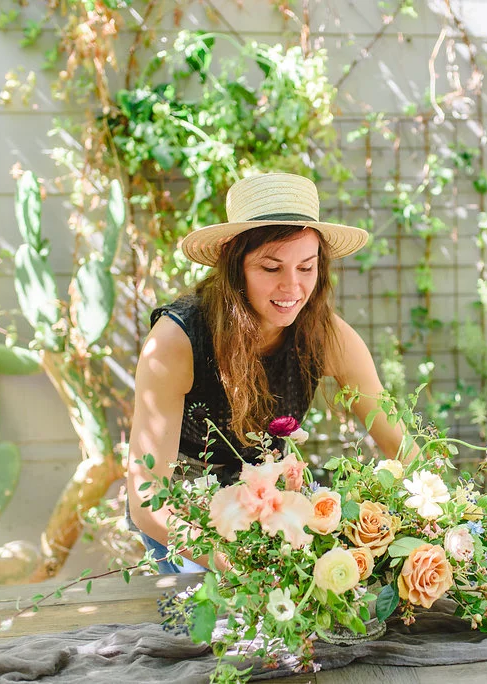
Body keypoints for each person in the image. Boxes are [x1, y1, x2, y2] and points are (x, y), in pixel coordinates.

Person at [126, 172, 405, 573]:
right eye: (271, 267)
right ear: (234, 268)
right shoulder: (175, 341)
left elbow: (399, 442)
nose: (292, 287)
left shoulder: (328, 334)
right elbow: (147, 496)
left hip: (276, 505)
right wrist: (242, 568)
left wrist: (448, 522)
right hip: (186, 516)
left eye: (306, 267)